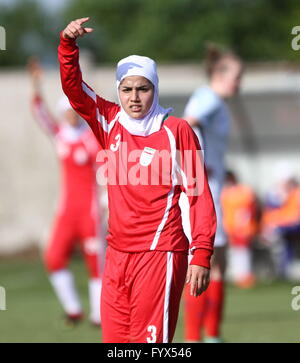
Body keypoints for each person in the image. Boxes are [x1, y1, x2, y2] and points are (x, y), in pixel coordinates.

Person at [58, 17, 216, 343]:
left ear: (154, 89)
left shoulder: (178, 131)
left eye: (143, 88)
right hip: (116, 256)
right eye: (126, 89)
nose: (134, 97)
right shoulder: (108, 120)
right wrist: (67, 46)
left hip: (160, 253)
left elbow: (198, 195)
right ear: (118, 90)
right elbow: (74, 89)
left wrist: (201, 253)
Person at [28, 58, 104, 326]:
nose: (71, 115)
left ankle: (98, 314)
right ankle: (73, 309)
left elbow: (105, 170)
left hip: (90, 209)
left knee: (96, 262)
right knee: (54, 257)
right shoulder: (60, 134)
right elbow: (39, 112)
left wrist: (106, 202)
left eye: (74, 111)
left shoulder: (91, 137)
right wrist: (36, 83)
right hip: (67, 208)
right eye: (67, 111)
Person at [182, 44, 243, 342]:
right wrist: (196, 164)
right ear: (220, 74)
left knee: (217, 265)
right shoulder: (208, 99)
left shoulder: (215, 100)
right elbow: (188, 122)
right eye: (236, 76)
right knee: (206, 265)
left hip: (212, 189)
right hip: (204, 193)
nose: (239, 83)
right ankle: (197, 337)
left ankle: (210, 335)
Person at [221, 170, 257, 288]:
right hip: (227, 227)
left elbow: (251, 208)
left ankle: (244, 277)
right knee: (230, 253)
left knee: (242, 252)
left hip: (242, 227)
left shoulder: (244, 191)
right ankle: (237, 276)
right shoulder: (223, 191)